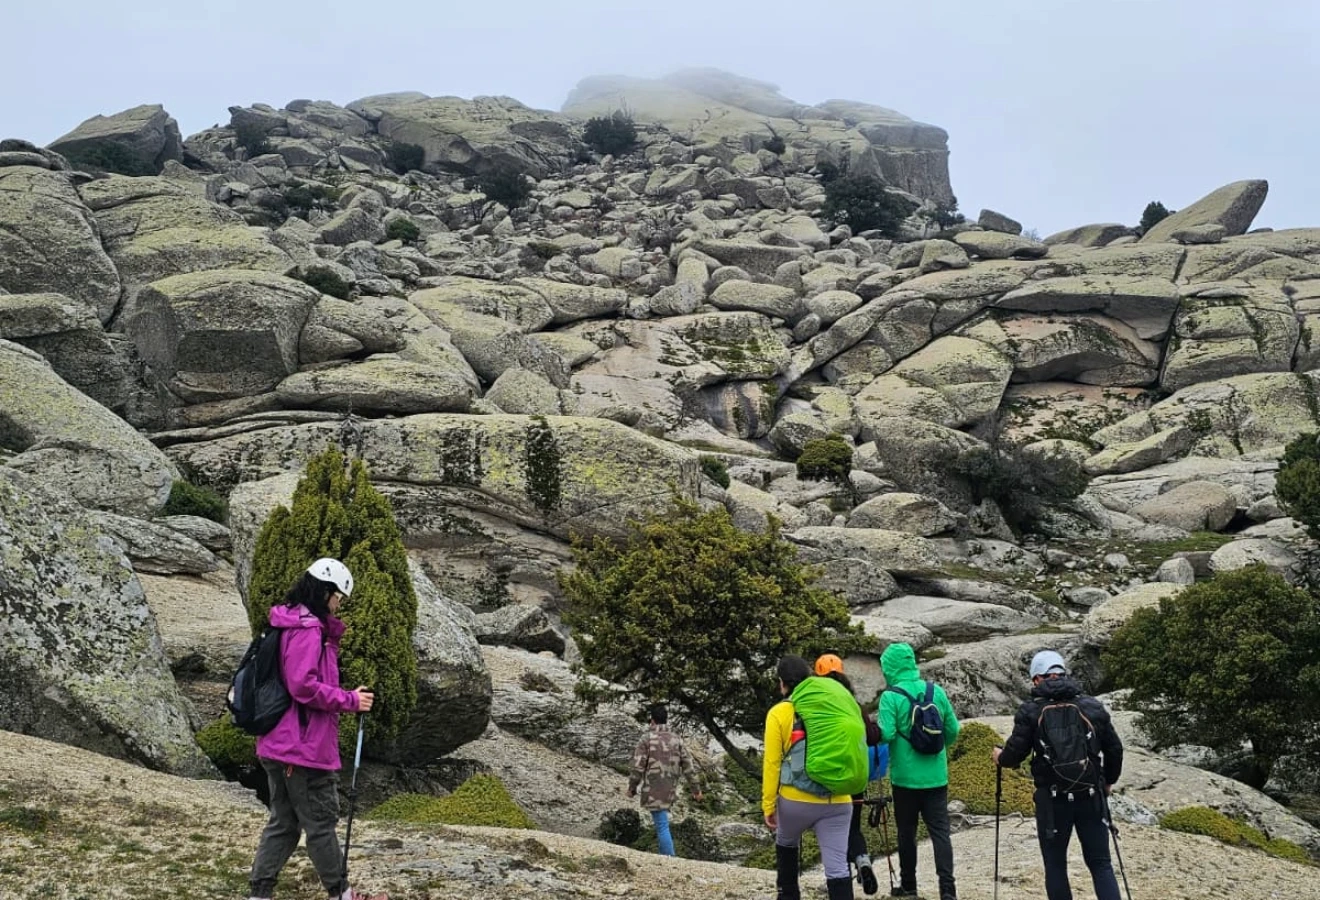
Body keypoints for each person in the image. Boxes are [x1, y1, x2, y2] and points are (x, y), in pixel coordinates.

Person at [247, 558, 386, 900]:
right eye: (338, 596)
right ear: (325, 592)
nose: (339, 603)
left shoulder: (288, 622)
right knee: (321, 824)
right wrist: (350, 700)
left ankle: (259, 894)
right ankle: (342, 894)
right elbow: (302, 686)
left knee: (284, 822)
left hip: (278, 743)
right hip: (302, 748)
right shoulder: (308, 630)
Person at [993, 650, 1124, 900]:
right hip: (1091, 796)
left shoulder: (1030, 711)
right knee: (1100, 864)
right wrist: (1108, 781)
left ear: (1036, 679)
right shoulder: (1091, 706)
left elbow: (1013, 756)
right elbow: (1115, 748)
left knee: (1055, 865)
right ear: (1063, 673)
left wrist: (999, 756)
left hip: (1052, 802)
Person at [764, 655, 859, 900]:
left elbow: (772, 763)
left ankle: (788, 895)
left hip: (796, 802)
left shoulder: (780, 712)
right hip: (839, 801)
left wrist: (768, 804)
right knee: (837, 868)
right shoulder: (835, 704)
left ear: (782, 683)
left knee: (786, 843)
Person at [878, 642, 960, 900]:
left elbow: (887, 733)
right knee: (940, 834)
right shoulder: (936, 691)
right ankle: (948, 890)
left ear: (889, 667)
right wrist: (938, 750)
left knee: (906, 833)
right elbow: (953, 730)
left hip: (905, 779)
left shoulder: (890, 696)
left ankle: (909, 886)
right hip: (936, 777)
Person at [815, 653, 888, 896]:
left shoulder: (817, 707)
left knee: (831, 830)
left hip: (827, 779)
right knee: (853, 827)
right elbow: (871, 737)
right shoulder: (854, 706)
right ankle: (863, 861)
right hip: (856, 776)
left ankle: (840, 881)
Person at [626, 703, 704, 856]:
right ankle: (664, 857)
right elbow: (689, 767)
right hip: (670, 789)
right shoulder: (677, 740)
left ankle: (670, 858)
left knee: (662, 825)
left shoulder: (646, 739)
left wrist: (632, 788)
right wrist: (696, 790)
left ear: (652, 720)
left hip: (653, 788)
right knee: (661, 823)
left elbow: (638, 767)